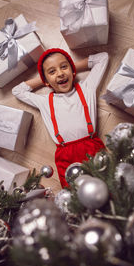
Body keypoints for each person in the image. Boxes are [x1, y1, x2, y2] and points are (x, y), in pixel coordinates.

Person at [12, 48, 109, 188]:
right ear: (46, 80)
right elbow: (17, 91)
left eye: (64, 67)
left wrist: (68, 68)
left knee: (110, 188)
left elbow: (103, 57)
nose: (60, 73)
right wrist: (45, 79)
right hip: (66, 155)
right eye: (52, 71)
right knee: (76, 200)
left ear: (72, 70)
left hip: (92, 147)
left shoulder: (87, 88)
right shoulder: (44, 101)